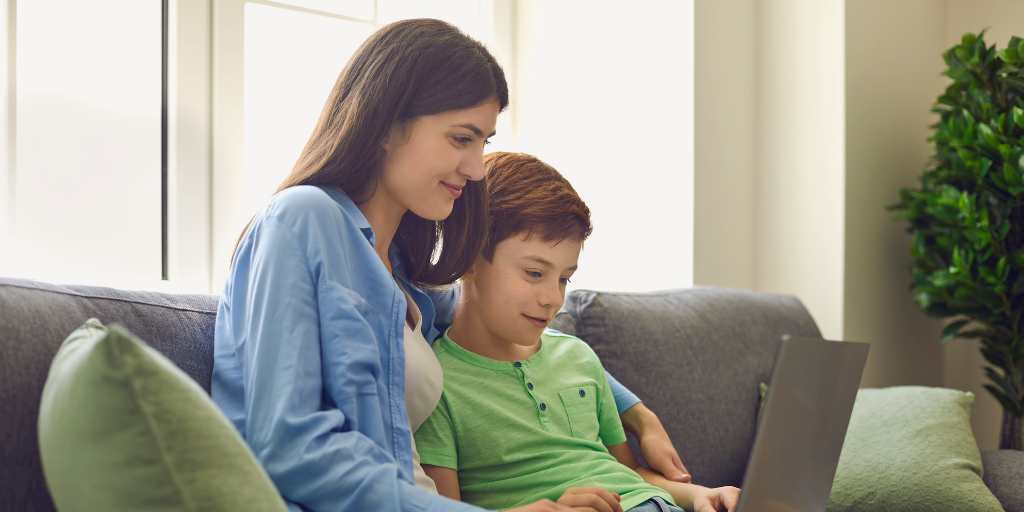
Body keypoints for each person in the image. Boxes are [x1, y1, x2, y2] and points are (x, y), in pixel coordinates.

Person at [211, 19, 688, 512]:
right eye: (462, 139)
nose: (477, 168)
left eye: (483, 142)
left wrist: (636, 412)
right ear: (388, 125)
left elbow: (500, 327)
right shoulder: (302, 219)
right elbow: (287, 447)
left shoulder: (407, 285)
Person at [415, 153, 741, 512]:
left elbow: (627, 474)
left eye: (564, 278)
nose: (553, 299)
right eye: (534, 273)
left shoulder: (578, 356)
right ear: (470, 257)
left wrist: (700, 495)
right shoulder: (437, 385)